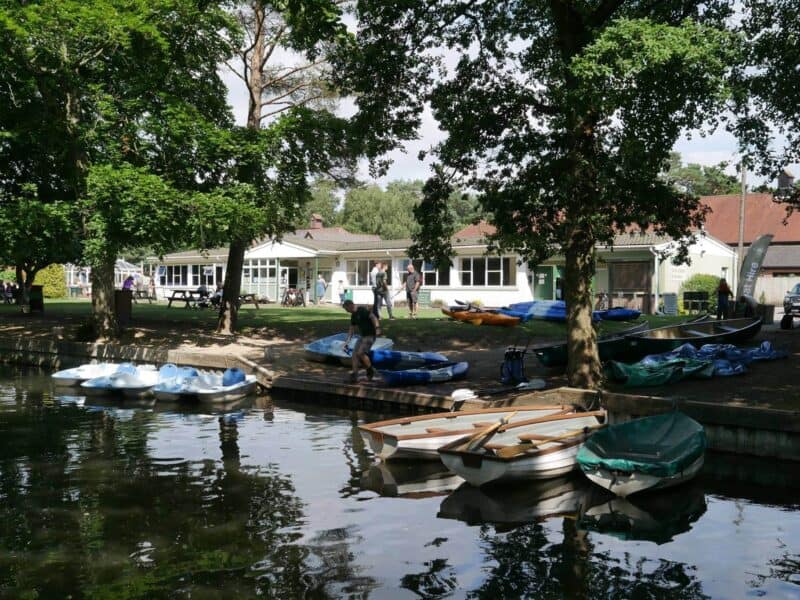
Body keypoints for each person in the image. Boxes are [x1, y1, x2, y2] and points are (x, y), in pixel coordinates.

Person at [343, 299, 381, 383]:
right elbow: (351, 329)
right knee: (354, 354)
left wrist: (377, 328)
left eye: (347, 309)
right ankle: (355, 375)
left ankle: (370, 371)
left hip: (370, 335)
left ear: (351, 305)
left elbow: (373, 318)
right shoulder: (353, 315)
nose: (347, 311)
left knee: (360, 353)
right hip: (362, 337)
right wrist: (346, 342)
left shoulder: (362, 310)